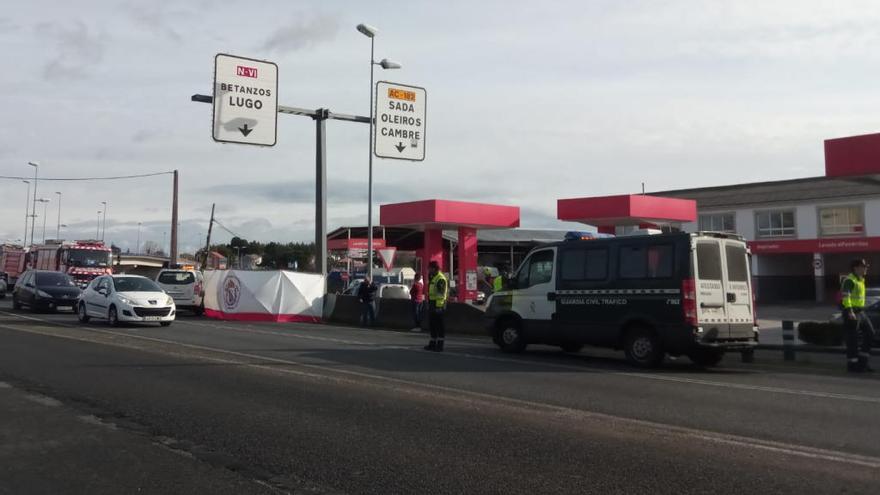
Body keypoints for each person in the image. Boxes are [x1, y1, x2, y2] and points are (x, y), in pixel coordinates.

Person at [840, 259, 874, 372]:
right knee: (852, 340)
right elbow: (846, 297)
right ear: (856, 268)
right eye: (863, 266)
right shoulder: (850, 280)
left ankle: (862, 362)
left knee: (870, 333)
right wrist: (850, 311)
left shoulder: (860, 280)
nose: (866, 268)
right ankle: (853, 366)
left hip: (860, 312)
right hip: (852, 312)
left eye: (866, 266)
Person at [424, 261, 448, 352]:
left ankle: (440, 345)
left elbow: (441, 295)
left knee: (439, 326)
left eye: (429, 268)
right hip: (432, 304)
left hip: (439, 305)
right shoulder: (433, 277)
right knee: (432, 325)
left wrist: (438, 307)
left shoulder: (440, 278)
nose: (428, 270)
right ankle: (432, 344)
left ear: (434, 268)